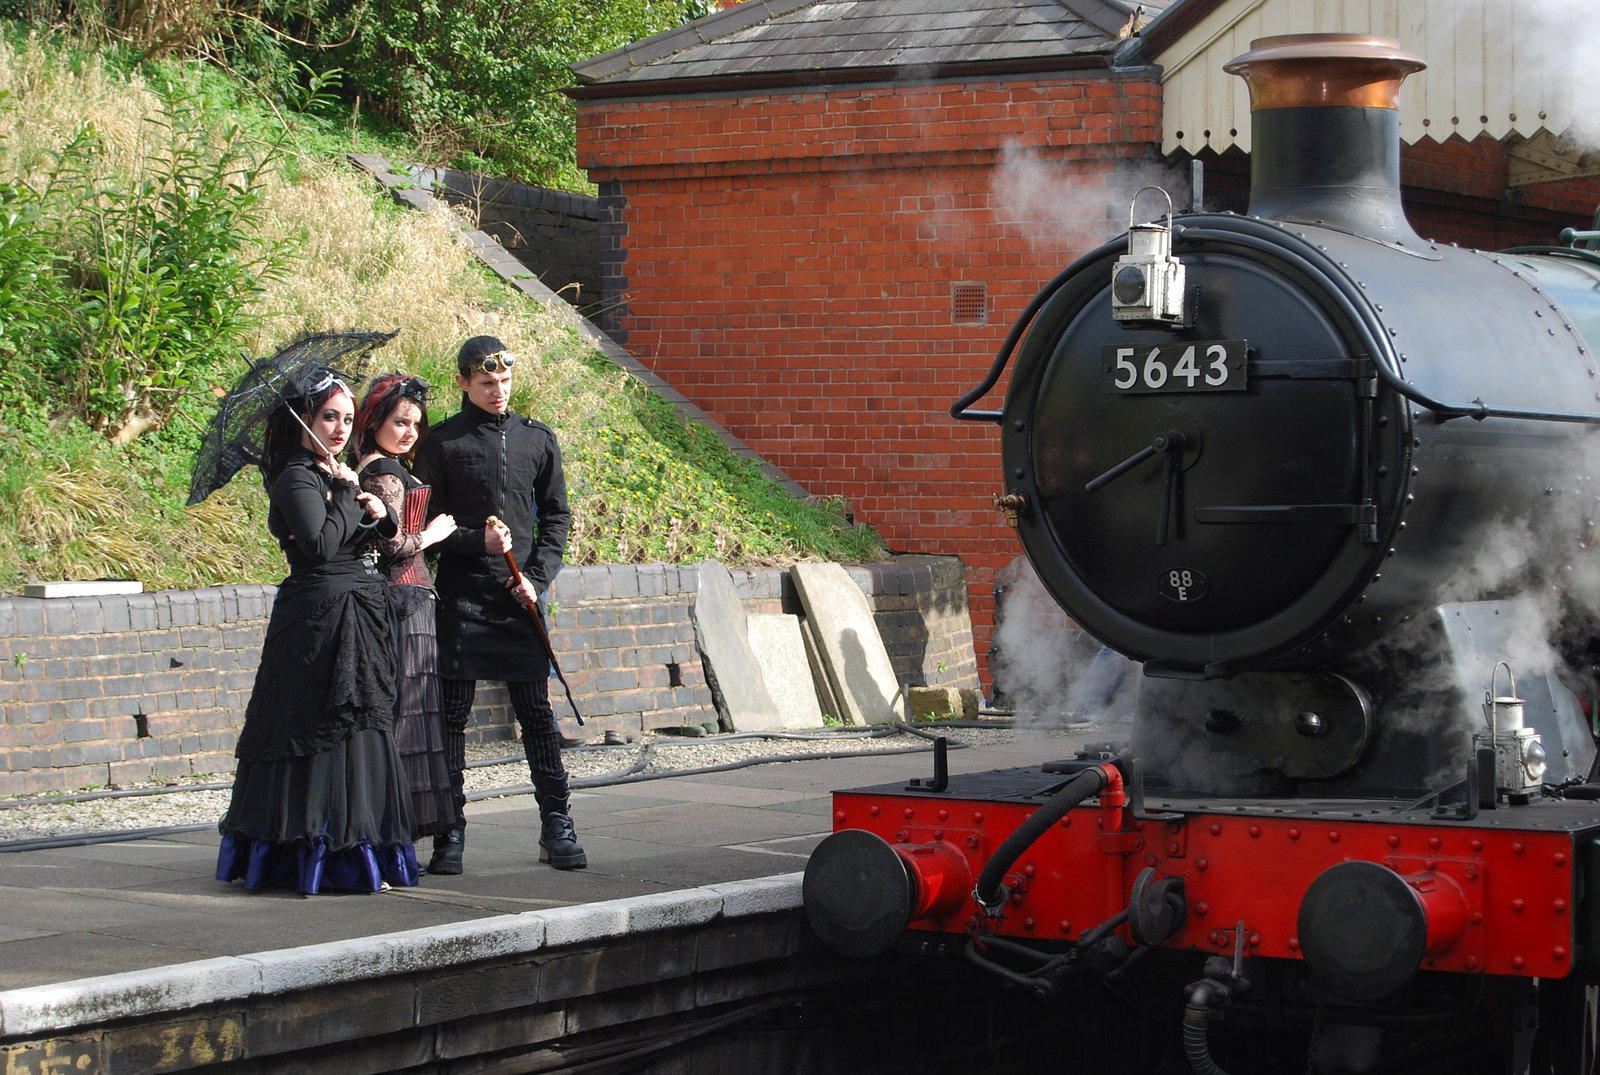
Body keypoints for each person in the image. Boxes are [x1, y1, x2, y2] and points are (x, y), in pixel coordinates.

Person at [216, 369, 421, 894]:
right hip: (316, 620)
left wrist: (377, 508)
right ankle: (308, 855)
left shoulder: (334, 473)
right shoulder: (296, 476)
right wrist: (353, 498)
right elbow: (320, 546)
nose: (339, 428)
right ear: (305, 416)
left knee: (363, 728)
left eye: (348, 419)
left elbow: (379, 535)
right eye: (330, 416)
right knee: (313, 727)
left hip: (362, 614)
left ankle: (363, 852)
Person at [412, 335, 584, 873]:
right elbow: (425, 527)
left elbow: (557, 519)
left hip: (519, 598)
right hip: (463, 597)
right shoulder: (440, 443)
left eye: (505, 381)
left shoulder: (538, 439)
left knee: (536, 714)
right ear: (463, 382)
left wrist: (537, 577)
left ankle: (557, 823)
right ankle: (450, 831)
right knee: (452, 718)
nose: (498, 391)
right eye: (487, 382)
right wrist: (473, 542)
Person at [352, 373, 462, 843]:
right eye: (400, 421)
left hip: (408, 596)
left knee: (409, 716)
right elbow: (392, 544)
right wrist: (434, 536)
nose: (410, 432)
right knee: (407, 717)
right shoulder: (382, 472)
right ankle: (392, 830)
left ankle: (393, 830)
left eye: (416, 424)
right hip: (403, 598)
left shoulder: (382, 465)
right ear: (376, 418)